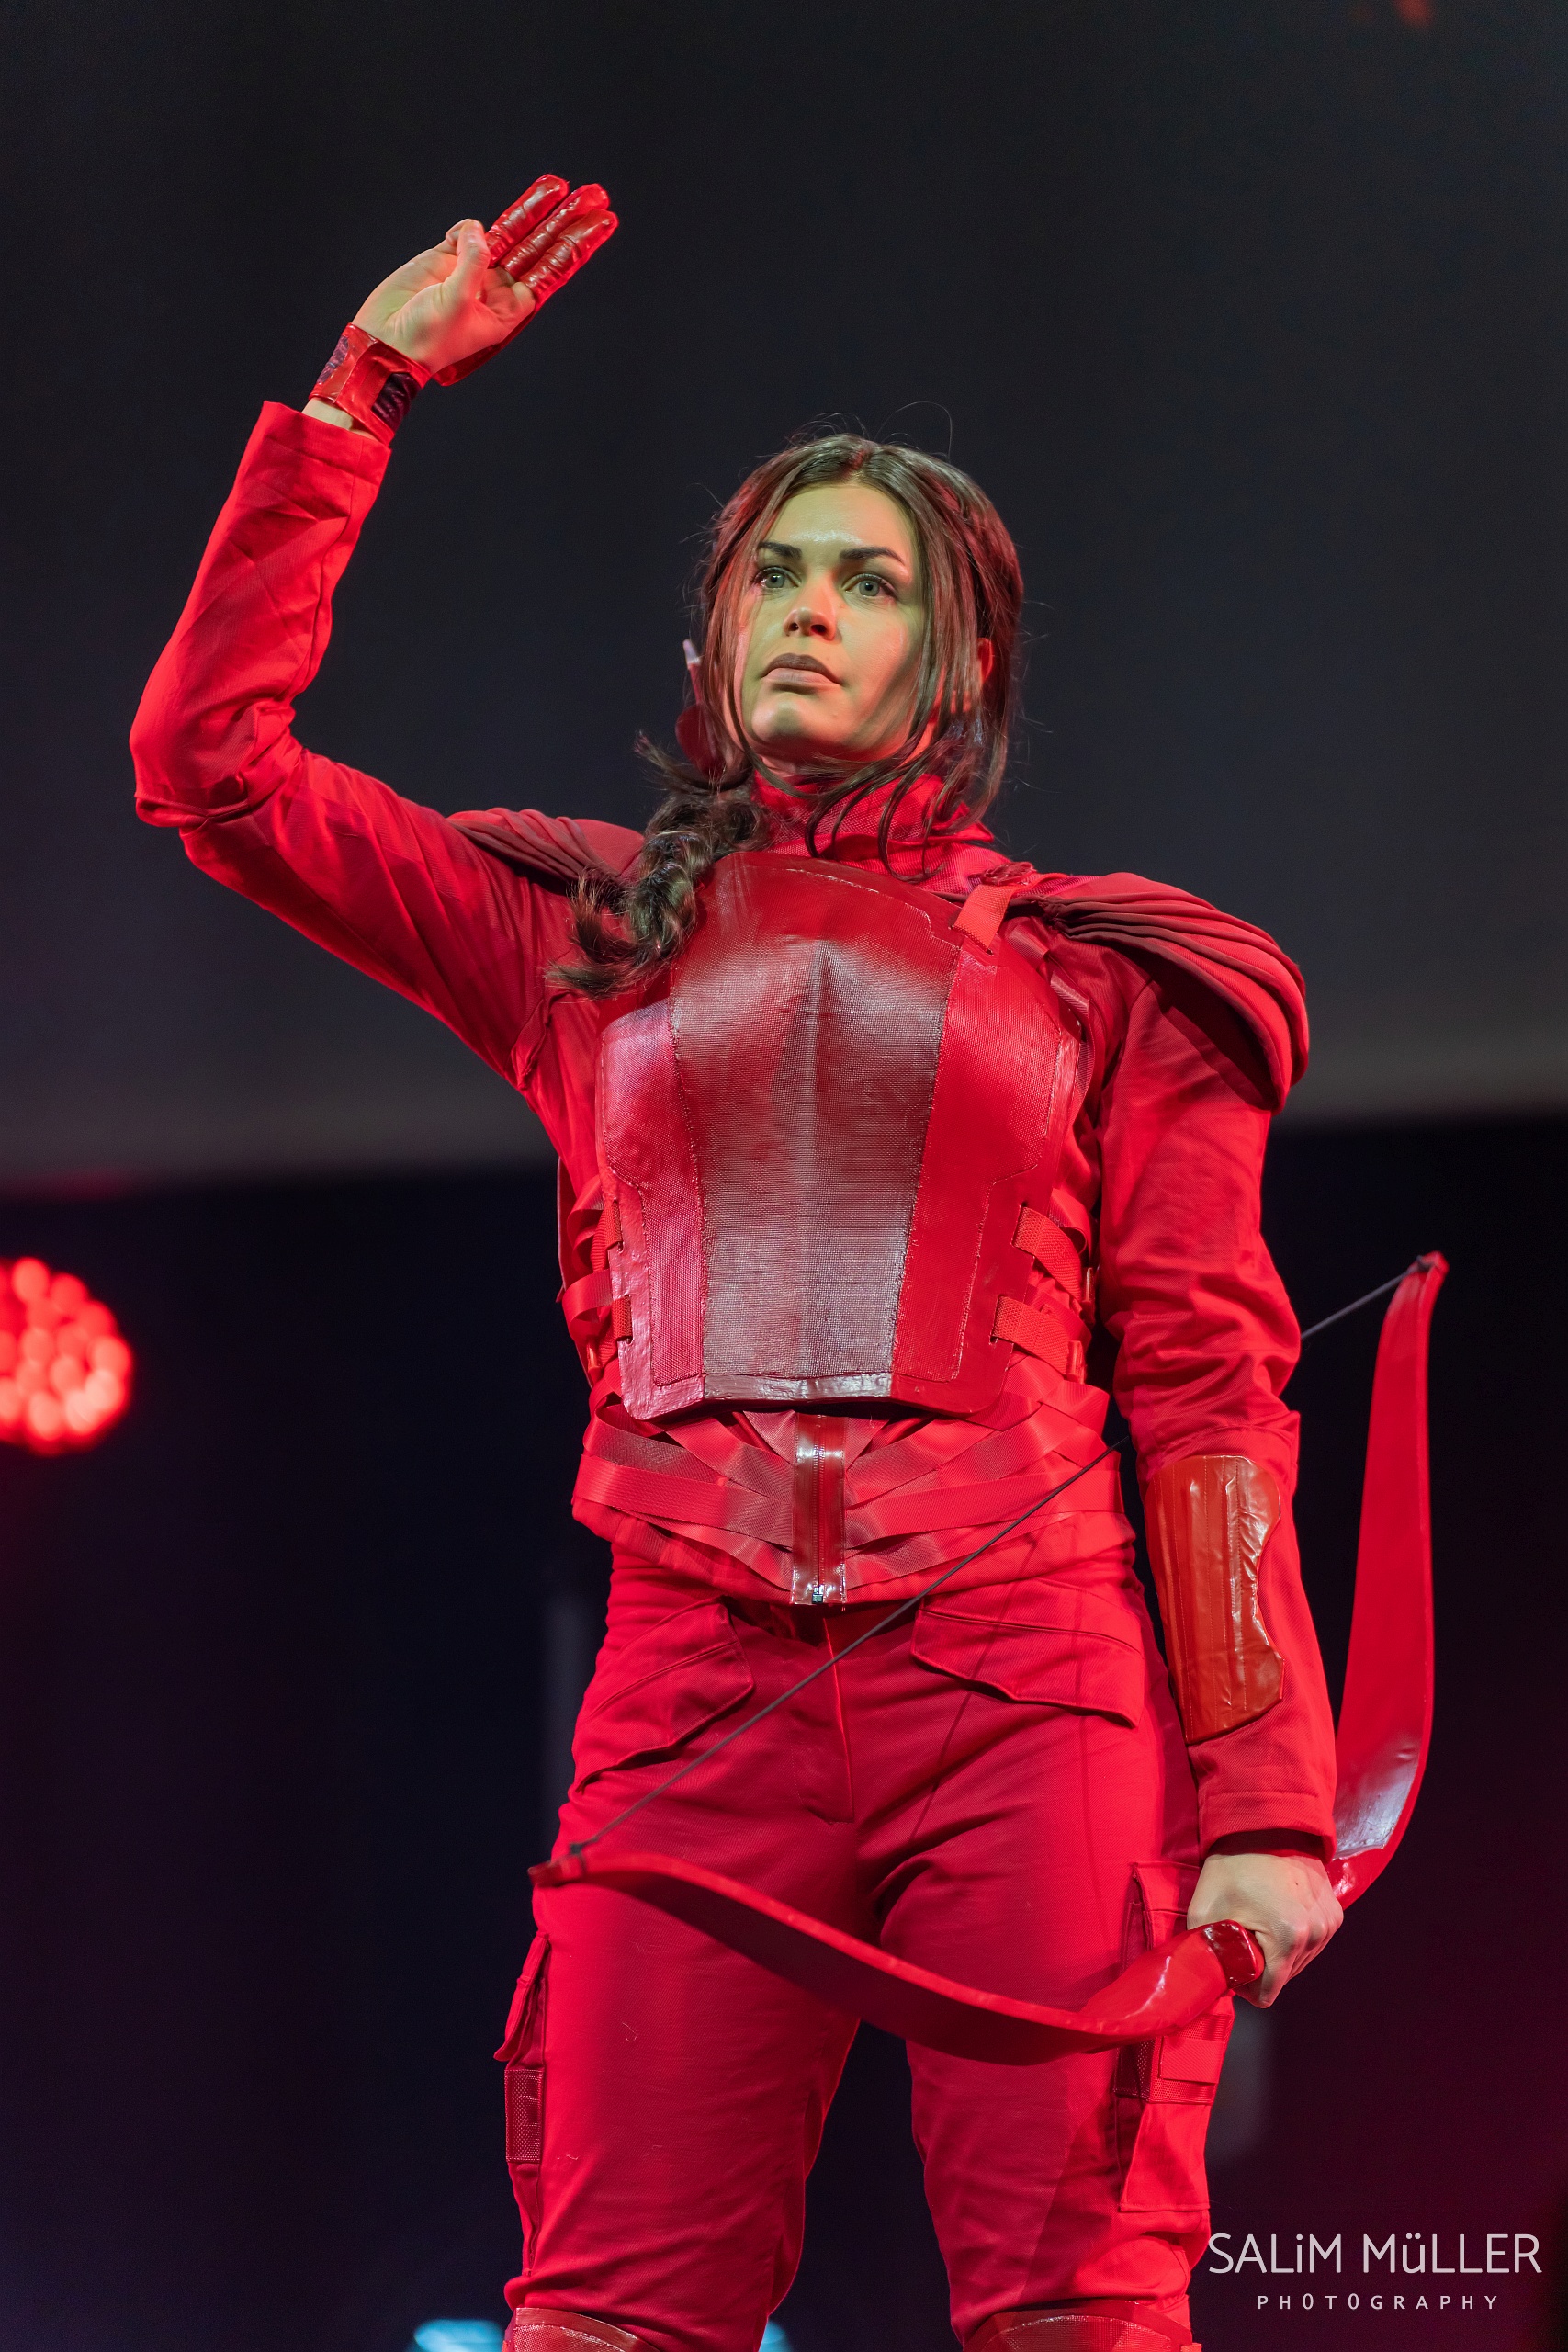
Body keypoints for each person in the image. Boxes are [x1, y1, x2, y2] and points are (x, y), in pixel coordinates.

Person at [130, 198, 1344, 2352]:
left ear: (960, 662)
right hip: (691, 1689)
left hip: (1030, 1677)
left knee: (1079, 2309)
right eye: (771, 572)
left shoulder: (1108, 975)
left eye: (867, 580)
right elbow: (208, 770)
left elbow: (1203, 1378)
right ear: (711, 637)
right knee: (606, 2311)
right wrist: (355, 396)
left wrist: (1262, 1798)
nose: (806, 606)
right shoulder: (579, 930)